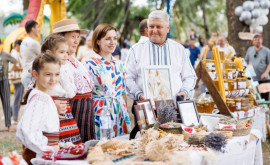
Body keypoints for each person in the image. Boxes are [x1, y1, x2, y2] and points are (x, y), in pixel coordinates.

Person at [125, 10, 197, 139]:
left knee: (173, 144)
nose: (154, 30)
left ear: (168, 28)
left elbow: (190, 76)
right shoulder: (136, 50)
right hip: (145, 110)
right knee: (147, 146)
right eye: (151, 26)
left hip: (174, 109)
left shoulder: (178, 49)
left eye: (158, 27)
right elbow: (127, 77)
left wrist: (185, 92)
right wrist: (138, 94)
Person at [85, 23, 131, 139]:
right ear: (98, 41)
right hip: (101, 113)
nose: (112, 42)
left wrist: (124, 112)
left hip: (120, 111)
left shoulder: (119, 64)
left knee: (122, 147)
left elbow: (122, 92)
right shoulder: (90, 64)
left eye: (114, 38)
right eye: (107, 39)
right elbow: (87, 95)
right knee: (104, 147)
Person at [53, 19, 95, 142]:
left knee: (87, 145)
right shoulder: (55, 61)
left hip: (86, 111)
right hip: (71, 111)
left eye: (78, 37)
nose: (77, 41)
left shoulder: (75, 60)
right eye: (72, 37)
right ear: (60, 39)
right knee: (74, 146)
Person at [16, 54, 61, 164]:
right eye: (48, 74)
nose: (53, 79)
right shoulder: (39, 99)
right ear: (35, 74)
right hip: (39, 156)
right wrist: (47, 148)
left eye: (57, 74)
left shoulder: (43, 96)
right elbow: (25, 129)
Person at [41, 34, 82, 144]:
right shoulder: (59, 72)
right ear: (49, 53)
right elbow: (71, 93)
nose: (66, 55)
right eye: (62, 52)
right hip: (58, 114)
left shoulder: (44, 70)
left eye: (66, 52)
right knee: (61, 143)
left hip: (63, 112)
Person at [245, 34, 270, 100]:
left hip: (263, 79)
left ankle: (266, 110)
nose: (256, 41)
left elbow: (269, 64)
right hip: (253, 79)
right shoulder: (250, 49)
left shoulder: (267, 51)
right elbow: (246, 61)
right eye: (255, 40)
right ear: (253, 41)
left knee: (264, 98)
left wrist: (265, 73)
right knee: (254, 98)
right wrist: (247, 70)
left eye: (258, 39)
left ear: (262, 40)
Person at [0, 40, 17, 132]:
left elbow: (15, 61)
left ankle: (9, 125)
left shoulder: (5, 54)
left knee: (6, 102)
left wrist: (11, 70)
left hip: (4, 80)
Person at [20, 20, 41, 89]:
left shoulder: (23, 42)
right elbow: (45, 56)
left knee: (29, 98)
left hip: (25, 74)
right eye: (37, 27)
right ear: (33, 29)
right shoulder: (33, 43)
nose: (38, 29)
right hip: (31, 75)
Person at [9, 39, 24, 124]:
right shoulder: (14, 54)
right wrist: (24, 68)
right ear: (17, 45)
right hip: (18, 78)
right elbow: (14, 67)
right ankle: (14, 118)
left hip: (17, 78)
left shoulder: (14, 53)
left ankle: (9, 114)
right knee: (17, 98)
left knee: (16, 97)